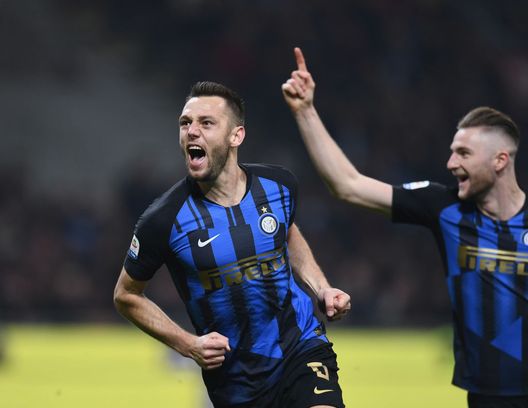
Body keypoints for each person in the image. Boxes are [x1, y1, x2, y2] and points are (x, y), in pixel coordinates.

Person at [282, 47, 528, 408]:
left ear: (500, 160)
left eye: (463, 153)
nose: (450, 163)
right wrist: (305, 111)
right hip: (486, 397)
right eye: (452, 151)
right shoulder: (445, 207)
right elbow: (348, 184)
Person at [114, 81, 350, 408]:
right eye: (185, 123)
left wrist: (321, 287)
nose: (192, 131)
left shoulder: (279, 185)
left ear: (236, 136)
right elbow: (126, 295)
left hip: (300, 347)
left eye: (206, 123)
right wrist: (187, 344)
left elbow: (287, 234)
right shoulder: (163, 219)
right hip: (236, 381)